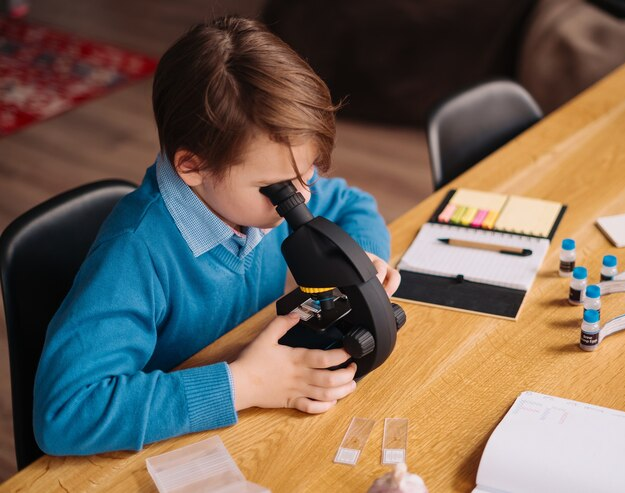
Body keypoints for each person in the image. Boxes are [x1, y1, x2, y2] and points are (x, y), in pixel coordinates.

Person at [33, 15, 401, 456]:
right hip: (163, 449)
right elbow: (66, 413)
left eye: (307, 175)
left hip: (247, 426)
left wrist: (359, 258)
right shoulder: (136, 253)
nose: (301, 197)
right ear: (193, 166)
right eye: (280, 188)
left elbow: (352, 206)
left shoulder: (266, 188)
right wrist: (243, 384)